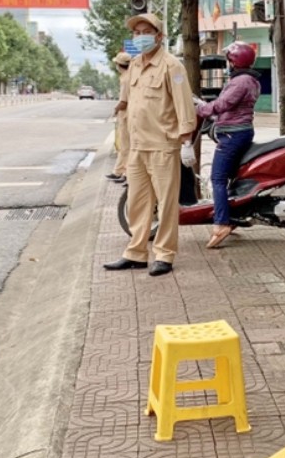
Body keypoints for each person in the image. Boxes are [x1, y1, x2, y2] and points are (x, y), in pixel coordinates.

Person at [103, 14, 195, 277]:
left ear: (159, 36)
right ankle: (136, 252)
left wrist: (186, 140)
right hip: (137, 147)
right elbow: (131, 103)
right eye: (136, 32)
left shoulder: (171, 66)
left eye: (146, 31)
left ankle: (164, 254)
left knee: (166, 203)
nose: (140, 36)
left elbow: (183, 105)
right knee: (137, 201)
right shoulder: (133, 65)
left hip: (164, 145)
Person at [195, 42, 261, 249]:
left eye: (229, 60)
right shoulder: (250, 80)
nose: (227, 64)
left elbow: (223, 104)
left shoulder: (240, 81)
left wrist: (201, 108)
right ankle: (232, 216)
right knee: (231, 177)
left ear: (234, 61)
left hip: (232, 135)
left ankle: (222, 222)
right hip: (239, 132)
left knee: (218, 178)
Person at [106, 50, 133, 184]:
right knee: (125, 146)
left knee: (126, 146)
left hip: (127, 115)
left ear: (119, 65)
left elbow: (124, 101)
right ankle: (119, 171)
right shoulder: (129, 76)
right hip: (128, 115)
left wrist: (115, 110)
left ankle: (125, 173)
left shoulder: (126, 79)